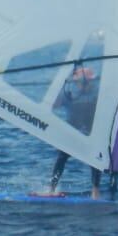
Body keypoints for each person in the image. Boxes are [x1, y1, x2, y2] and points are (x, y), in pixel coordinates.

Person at [49, 64, 102, 198]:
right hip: (72, 130)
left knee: (95, 158)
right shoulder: (68, 93)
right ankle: (51, 189)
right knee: (62, 157)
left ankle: (95, 191)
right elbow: (52, 106)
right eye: (82, 82)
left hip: (91, 131)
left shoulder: (98, 93)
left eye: (89, 81)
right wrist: (59, 86)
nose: (85, 84)